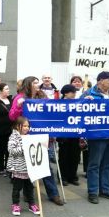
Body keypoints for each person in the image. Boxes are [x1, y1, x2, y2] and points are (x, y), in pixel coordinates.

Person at [9, 76, 64, 206]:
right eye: (34, 82)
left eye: (37, 82)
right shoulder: (20, 97)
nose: (37, 84)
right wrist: (18, 106)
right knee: (27, 167)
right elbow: (12, 117)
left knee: (45, 165)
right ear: (28, 84)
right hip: (26, 136)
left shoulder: (42, 96)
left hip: (41, 135)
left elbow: (51, 113)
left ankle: (53, 194)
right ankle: (28, 194)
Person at [81, 71, 109, 204]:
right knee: (94, 164)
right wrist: (83, 102)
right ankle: (93, 191)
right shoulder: (88, 94)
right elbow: (75, 109)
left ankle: (105, 189)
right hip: (97, 135)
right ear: (100, 81)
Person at [6, 116, 41, 216]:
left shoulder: (29, 137)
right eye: (24, 126)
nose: (27, 128)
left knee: (29, 187)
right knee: (17, 188)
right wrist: (24, 146)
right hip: (18, 168)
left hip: (28, 168)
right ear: (17, 126)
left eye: (28, 126)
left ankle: (32, 204)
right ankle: (15, 204)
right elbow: (12, 151)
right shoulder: (13, 137)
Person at [57, 84, 81, 186]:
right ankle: (63, 177)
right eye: (73, 92)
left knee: (75, 155)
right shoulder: (59, 104)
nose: (75, 94)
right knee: (64, 156)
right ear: (66, 93)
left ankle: (73, 176)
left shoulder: (78, 103)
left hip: (75, 133)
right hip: (64, 134)